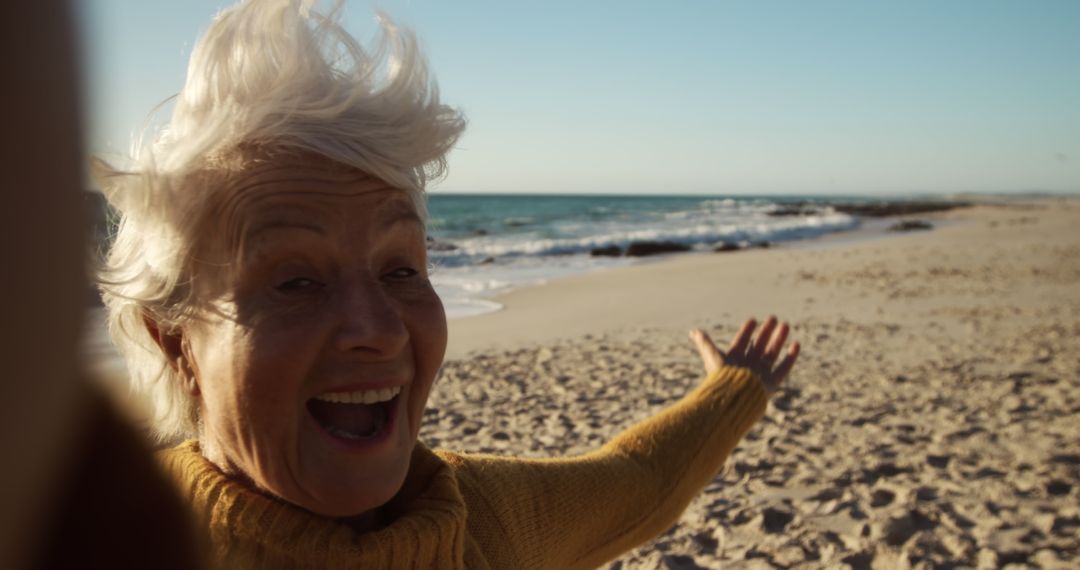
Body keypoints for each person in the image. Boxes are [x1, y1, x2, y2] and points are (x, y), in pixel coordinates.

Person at [95, 1, 799, 568]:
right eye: (298, 281)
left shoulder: (488, 522)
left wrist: (731, 391)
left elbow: (636, 483)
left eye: (402, 270)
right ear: (175, 342)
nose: (378, 329)